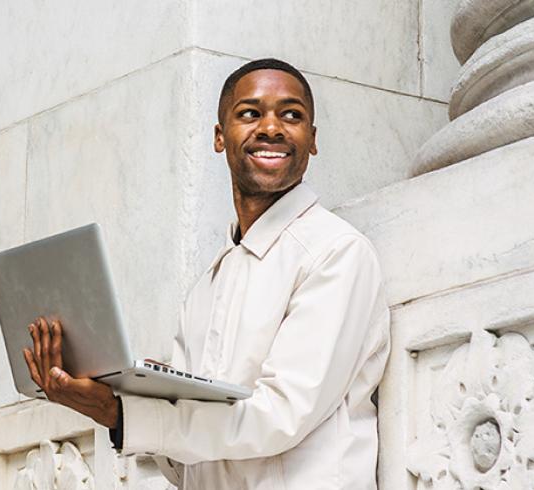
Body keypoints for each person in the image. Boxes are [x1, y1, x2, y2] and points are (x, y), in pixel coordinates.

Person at [22, 58, 391, 489]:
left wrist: (122, 413)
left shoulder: (336, 253)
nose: (271, 127)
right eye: (250, 113)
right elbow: (188, 465)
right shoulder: (204, 291)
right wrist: (130, 397)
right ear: (220, 136)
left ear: (312, 139)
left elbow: (280, 416)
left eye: (291, 115)